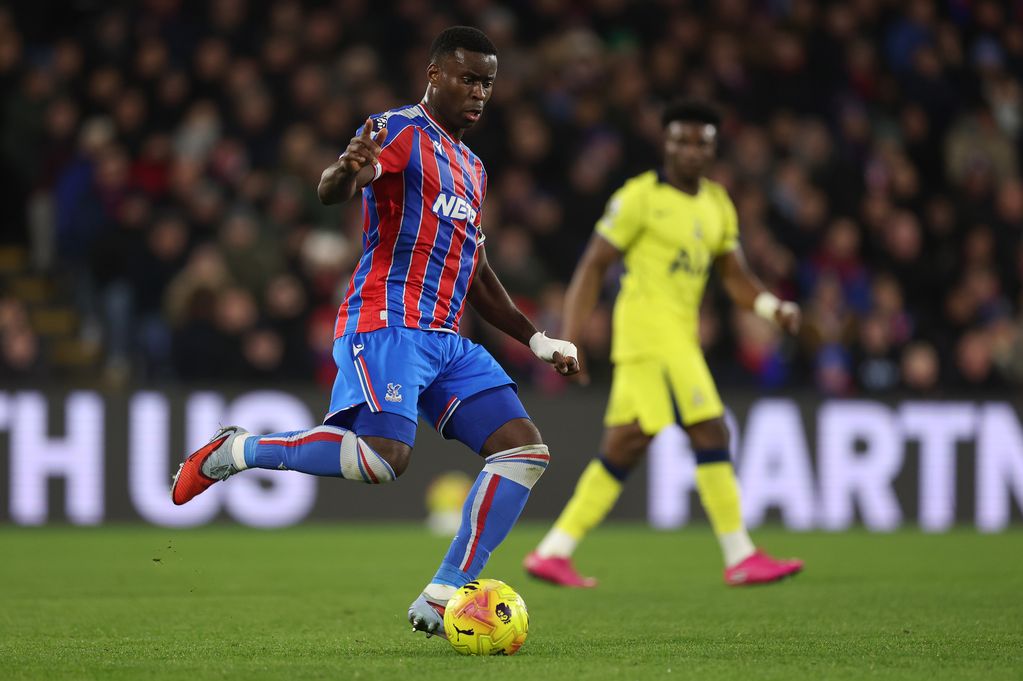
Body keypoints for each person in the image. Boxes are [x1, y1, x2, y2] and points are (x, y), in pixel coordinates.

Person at [171, 26, 579, 637]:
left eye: (488, 83)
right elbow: (336, 188)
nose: (479, 92)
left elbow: (477, 271)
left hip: (446, 339)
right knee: (382, 461)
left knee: (523, 451)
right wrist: (346, 169)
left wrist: (537, 340)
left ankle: (444, 592)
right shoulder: (398, 130)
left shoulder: (473, 168)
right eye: (467, 78)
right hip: (387, 322)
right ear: (434, 74)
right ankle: (236, 451)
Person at [524, 100, 804, 587]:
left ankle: (554, 550)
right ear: (666, 143)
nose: (691, 150)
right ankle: (740, 554)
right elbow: (593, 264)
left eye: (701, 142)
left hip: (675, 336)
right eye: (681, 140)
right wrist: (568, 335)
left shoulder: (717, 202)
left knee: (627, 444)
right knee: (710, 429)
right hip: (650, 334)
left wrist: (770, 308)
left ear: (714, 149)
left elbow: (736, 277)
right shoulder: (639, 198)